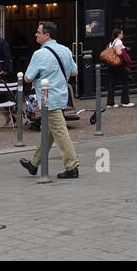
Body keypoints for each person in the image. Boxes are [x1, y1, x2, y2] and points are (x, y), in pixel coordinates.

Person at [19, 21, 79, 180]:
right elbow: (74, 72)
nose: (35, 34)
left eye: (38, 32)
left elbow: (27, 78)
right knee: (49, 132)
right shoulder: (65, 50)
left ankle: (72, 165)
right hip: (61, 95)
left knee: (59, 131)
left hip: (47, 98)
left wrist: (43, 74)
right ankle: (34, 164)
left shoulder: (39, 54)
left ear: (47, 35)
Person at [104, 28, 133, 108]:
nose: (122, 35)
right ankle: (125, 102)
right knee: (125, 82)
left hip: (111, 66)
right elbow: (118, 52)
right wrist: (125, 50)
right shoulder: (119, 41)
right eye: (122, 33)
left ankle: (110, 103)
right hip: (119, 66)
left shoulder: (111, 42)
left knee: (112, 84)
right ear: (118, 34)